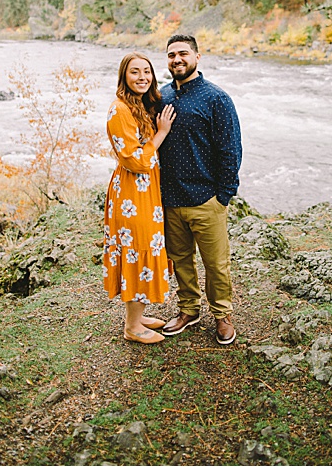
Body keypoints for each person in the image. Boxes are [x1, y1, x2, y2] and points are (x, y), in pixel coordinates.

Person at [156, 34, 244, 345]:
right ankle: (188, 310)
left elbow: (230, 150)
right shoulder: (160, 96)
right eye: (171, 55)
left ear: (197, 56)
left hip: (206, 199)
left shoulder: (216, 98)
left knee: (216, 263)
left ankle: (222, 315)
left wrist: (223, 196)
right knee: (180, 260)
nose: (176, 60)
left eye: (182, 53)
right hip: (170, 198)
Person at [104, 53, 177, 343]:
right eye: (135, 72)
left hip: (146, 190)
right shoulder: (119, 109)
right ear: (124, 76)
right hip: (132, 193)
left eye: (147, 71)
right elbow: (136, 160)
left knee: (145, 249)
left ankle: (137, 316)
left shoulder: (138, 105)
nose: (142, 77)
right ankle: (132, 328)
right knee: (138, 251)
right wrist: (162, 133)